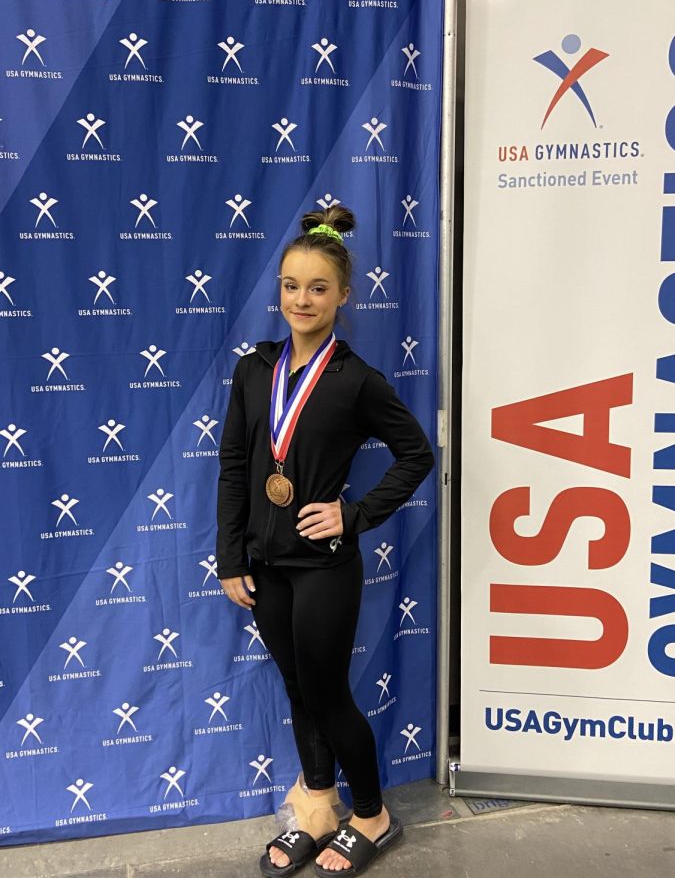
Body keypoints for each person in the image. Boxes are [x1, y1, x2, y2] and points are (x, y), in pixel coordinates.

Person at [217, 205, 434, 876]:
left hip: (324, 567)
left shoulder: (356, 380)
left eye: (316, 287)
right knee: (295, 687)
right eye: (289, 285)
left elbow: (414, 454)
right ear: (277, 291)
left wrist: (355, 512)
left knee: (327, 692)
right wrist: (230, 558)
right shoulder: (255, 370)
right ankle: (317, 802)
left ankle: (371, 813)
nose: (300, 299)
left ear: (342, 294)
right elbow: (232, 467)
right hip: (265, 563)